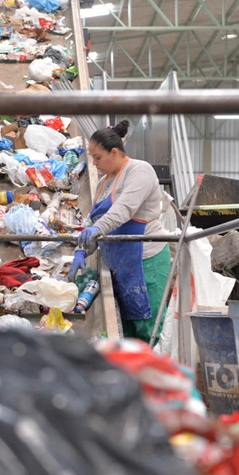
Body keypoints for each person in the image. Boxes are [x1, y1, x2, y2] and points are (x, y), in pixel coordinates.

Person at [68, 120, 170, 345]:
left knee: (148, 328)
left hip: (146, 261)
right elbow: (92, 220)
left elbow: (123, 210)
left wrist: (96, 229)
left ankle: (150, 377)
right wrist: (81, 250)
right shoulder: (105, 182)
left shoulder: (140, 170)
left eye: (97, 157)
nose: (93, 164)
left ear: (113, 152)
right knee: (128, 333)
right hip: (121, 265)